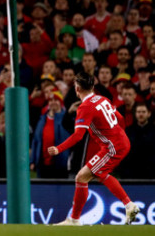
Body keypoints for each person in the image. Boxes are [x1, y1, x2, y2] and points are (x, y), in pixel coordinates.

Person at [48, 72, 139, 225]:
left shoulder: (85, 107)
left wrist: (59, 149)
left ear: (77, 89)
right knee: (91, 175)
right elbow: (120, 119)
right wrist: (118, 134)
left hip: (113, 147)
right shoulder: (102, 99)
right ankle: (128, 205)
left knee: (83, 176)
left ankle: (75, 220)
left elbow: (78, 136)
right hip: (120, 142)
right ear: (92, 86)